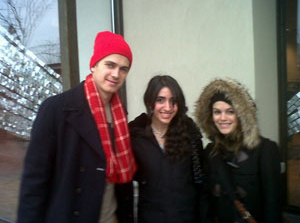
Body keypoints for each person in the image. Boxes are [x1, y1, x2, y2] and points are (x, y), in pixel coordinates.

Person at [17, 31, 137, 223]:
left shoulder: (120, 114)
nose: (116, 74)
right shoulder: (56, 109)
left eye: (124, 69)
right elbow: (34, 182)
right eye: (110, 65)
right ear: (94, 65)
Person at [194, 78, 282, 223]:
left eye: (230, 111)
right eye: (217, 112)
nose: (222, 118)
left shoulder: (265, 150)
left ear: (242, 115)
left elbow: (272, 205)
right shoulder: (211, 151)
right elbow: (205, 201)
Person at [128, 75, 206, 223]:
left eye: (173, 101)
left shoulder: (190, 135)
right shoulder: (135, 137)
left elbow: (201, 185)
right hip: (150, 218)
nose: (168, 108)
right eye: (160, 100)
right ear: (150, 103)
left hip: (186, 218)